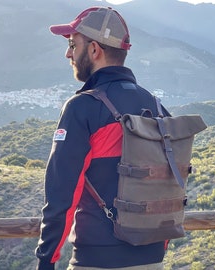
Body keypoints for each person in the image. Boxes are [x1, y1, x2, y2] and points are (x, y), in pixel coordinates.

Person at [35, 6, 168, 270]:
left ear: (95, 50)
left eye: (73, 44)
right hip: (152, 259)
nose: (68, 53)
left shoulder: (82, 108)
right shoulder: (157, 107)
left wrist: (46, 260)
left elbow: (62, 196)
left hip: (96, 261)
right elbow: (167, 186)